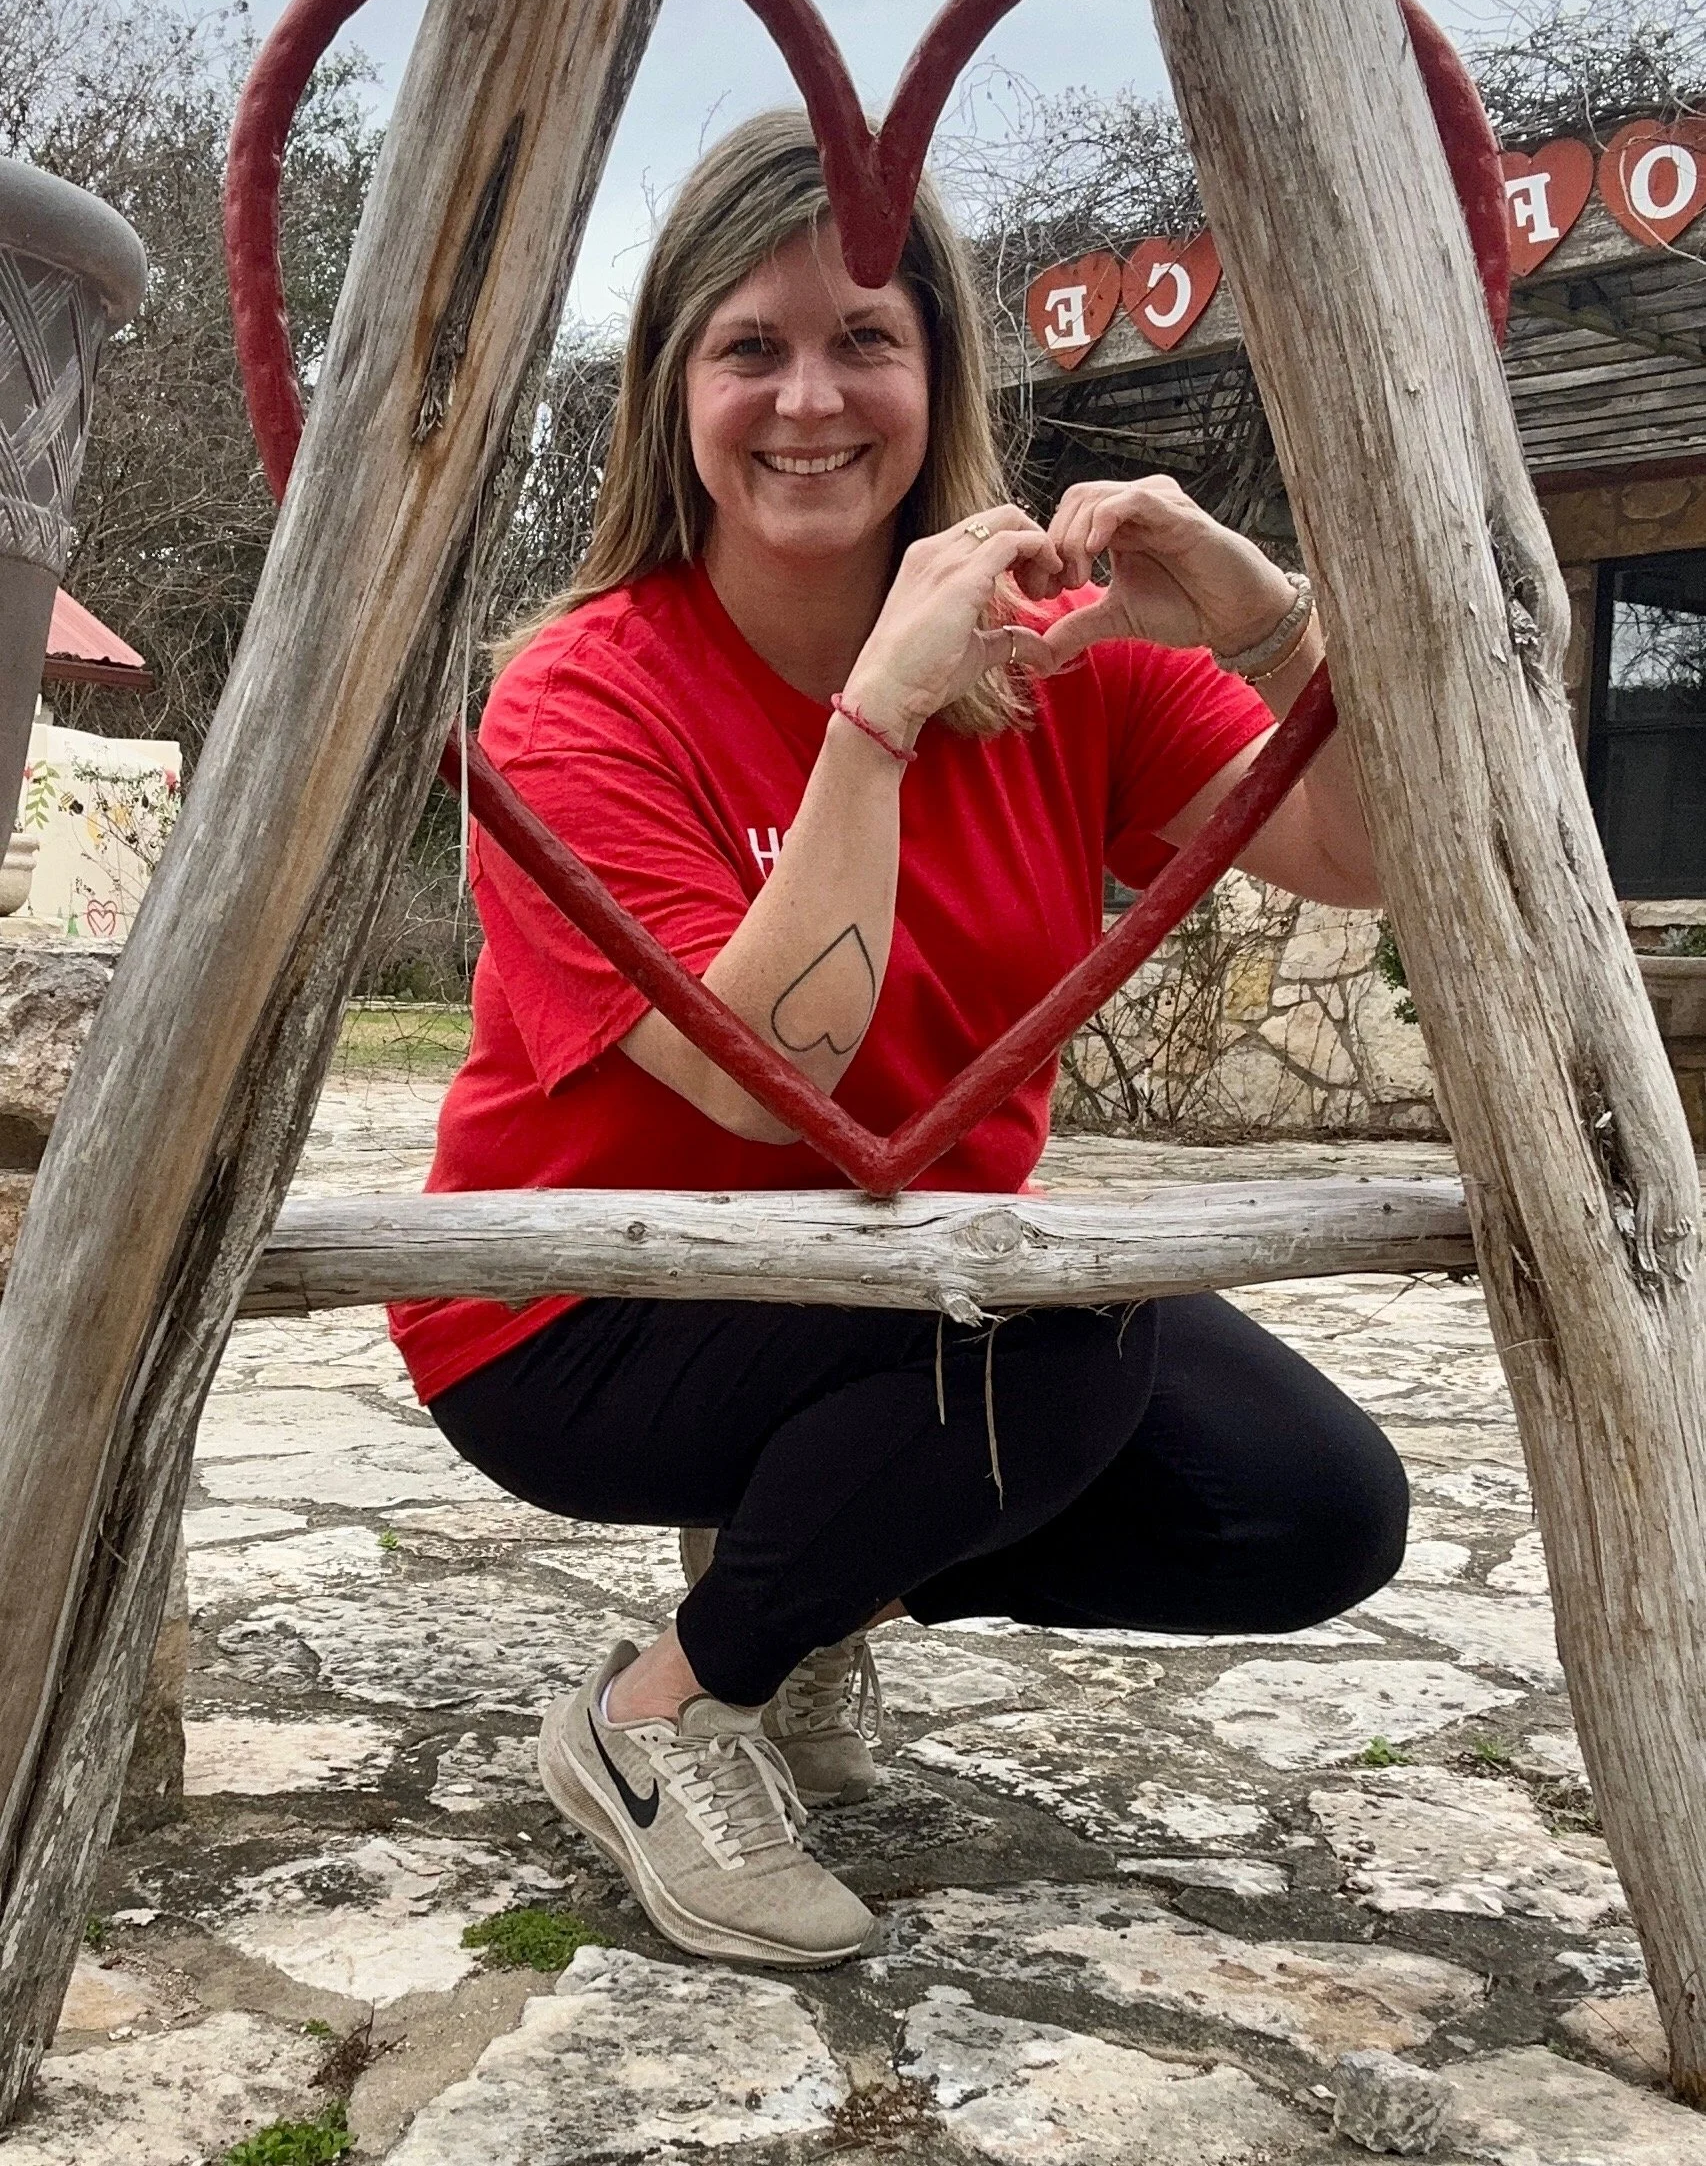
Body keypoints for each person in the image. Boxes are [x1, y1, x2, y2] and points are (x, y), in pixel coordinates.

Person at [388, 109, 1408, 1972]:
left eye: (864, 338)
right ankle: (657, 1715)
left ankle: (800, 1583)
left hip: (909, 1280)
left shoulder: (1061, 660)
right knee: (1054, 1318)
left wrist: (1260, 618)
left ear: (937, 380)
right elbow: (764, 1070)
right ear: (670, 391)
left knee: (1306, 1511)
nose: (808, 400)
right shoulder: (576, 697)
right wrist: (876, 715)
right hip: (583, 1311)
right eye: (748, 347)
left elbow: (1369, 855)